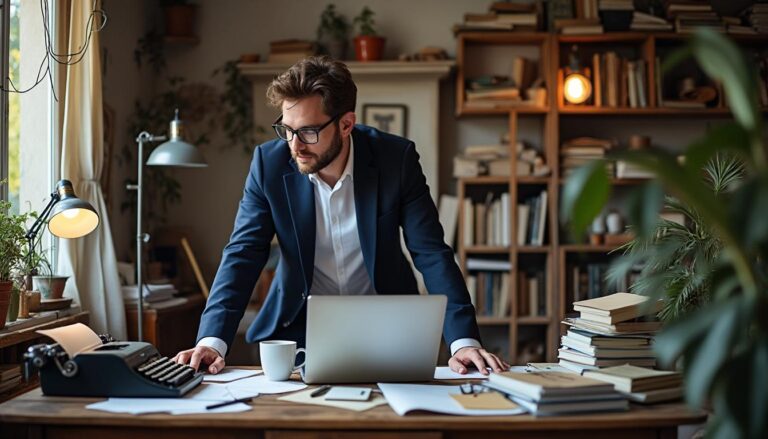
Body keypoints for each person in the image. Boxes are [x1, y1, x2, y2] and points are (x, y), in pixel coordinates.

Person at [173, 56, 509, 376]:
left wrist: (463, 340)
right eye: (286, 129)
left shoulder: (396, 159)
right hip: (298, 327)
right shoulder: (268, 164)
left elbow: (431, 252)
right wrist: (211, 340)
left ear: (346, 124)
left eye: (307, 132)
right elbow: (243, 253)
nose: (294, 146)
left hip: (388, 324)